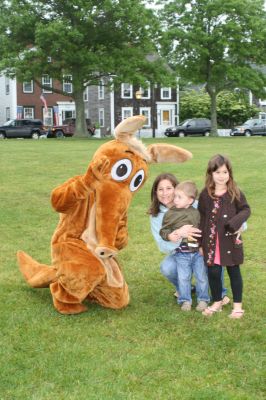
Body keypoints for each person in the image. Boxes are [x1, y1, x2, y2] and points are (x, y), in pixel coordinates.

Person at [149, 173, 230, 304]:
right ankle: (185, 289)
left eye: (169, 188)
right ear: (155, 192)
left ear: (177, 188)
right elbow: (162, 245)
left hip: (200, 247)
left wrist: (239, 224)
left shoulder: (195, 205)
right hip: (180, 252)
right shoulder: (156, 215)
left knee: (212, 257)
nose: (165, 193)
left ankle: (219, 292)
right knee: (167, 267)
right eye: (160, 189)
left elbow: (219, 214)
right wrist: (180, 234)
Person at [198, 154, 251, 318]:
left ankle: (237, 306)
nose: (222, 176)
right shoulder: (205, 194)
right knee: (213, 272)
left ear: (230, 173)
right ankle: (217, 301)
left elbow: (246, 209)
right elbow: (201, 218)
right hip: (211, 242)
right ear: (210, 174)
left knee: (234, 272)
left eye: (225, 172)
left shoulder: (234, 192)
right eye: (218, 172)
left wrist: (235, 223)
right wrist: (200, 243)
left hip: (230, 241)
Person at [160, 181, 209, 311]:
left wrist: (203, 246)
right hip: (182, 253)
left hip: (198, 253)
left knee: (201, 277)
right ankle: (185, 300)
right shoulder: (170, 214)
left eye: (179, 197)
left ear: (190, 200)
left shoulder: (197, 213)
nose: (174, 199)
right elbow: (163, 231)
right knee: (183, 277)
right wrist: (171, 235)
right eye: (175, 196)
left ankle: (203, 299)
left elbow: (204, 230)